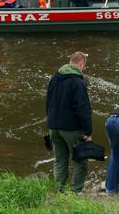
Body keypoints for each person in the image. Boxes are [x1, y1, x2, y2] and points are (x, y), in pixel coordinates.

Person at [46, 52, 93, 192]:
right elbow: (83, 109)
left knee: (60, 160)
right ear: (80, 64)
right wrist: (88, 131)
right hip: (71, 128)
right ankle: (75, 192)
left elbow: (48, 103)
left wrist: (50, 123)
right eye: (83, 67)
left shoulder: (54, 79)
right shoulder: (78, 82)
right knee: (81, 160)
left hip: (53, 126)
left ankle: (59, 190)